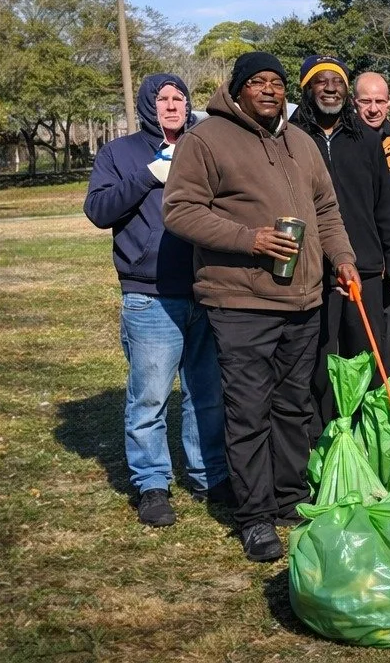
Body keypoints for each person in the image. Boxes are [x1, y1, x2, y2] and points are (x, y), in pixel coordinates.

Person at [164, 51, 361, 563]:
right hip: (241, 299)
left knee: (293, 405)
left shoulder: (300, 141)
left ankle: (289, 496)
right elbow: (180, 210)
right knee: (248, 409)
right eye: (258, 82)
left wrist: (341, 258)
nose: (270, 90)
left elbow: (326, 209)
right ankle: (254, 517)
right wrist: (250, 239)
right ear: (238, 89)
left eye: (276, 82)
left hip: (303, 299)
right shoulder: (205, 139)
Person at [84, 73, 228, 528]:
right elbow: (99, 211)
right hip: (149, 294)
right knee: (149, 398)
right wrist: (148, 176)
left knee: (205, 393)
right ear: (148, 105)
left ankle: (210, 476)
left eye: (178, 98)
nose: (171, 105)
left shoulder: (204, 146)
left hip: (206, 287)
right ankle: (152, 484)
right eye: (162, 99)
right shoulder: (120, 153)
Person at [292, 55, 390, 434]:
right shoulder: (290, 139)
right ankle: (325, 437)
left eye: (337, 81)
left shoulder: (366, 138)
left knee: (368, 359)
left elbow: (386, 206)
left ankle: (369, 434)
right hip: (312, 273)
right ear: (307, 90)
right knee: (320, 362)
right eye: (320, 81)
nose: (330, 88)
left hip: (366, 270)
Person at [354, 70, 390, 359]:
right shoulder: (345, 142)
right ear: (354, 103)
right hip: (361, 253)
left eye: (379, 101)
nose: (373, 108)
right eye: (365, 101)